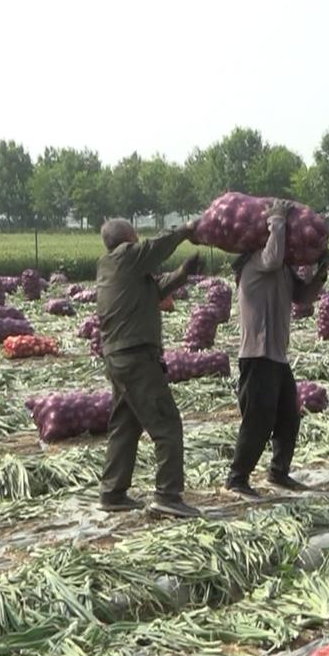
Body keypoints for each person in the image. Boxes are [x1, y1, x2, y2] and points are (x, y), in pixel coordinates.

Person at [95, 217, 203, 517]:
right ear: (128, 238)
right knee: (167, 424)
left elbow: (155, 293)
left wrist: (183, 273)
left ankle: (112, 492)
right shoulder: (126, 256)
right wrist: (184, 230)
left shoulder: (113, 267)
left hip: (119, 359)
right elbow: (156, 248)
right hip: (136, 359)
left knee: (125, 426)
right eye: (135, 235)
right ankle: (168, 495)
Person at [224, 199, 329, 500]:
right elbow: (272, 257)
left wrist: (320, 272)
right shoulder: (255, 262)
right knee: (258, 419)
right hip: (257, 354)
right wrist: (278, 219)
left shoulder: (283, 270)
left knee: (288, 416)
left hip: (277, 356)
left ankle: (278, 471)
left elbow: (304, 297)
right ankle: (237, 478)